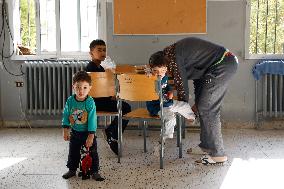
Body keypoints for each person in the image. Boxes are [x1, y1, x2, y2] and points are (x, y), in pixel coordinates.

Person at [149, 37, 238, 165]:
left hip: (223, 64)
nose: (162, 73)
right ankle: (206, 146)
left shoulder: (173, 59)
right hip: (216, 66)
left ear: (166, 64)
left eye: (163, 70)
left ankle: (218, 154)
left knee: (208, 109)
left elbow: (182, 87)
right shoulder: (172, 55)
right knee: (203, 106)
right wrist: (197, 103)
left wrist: (185, 110)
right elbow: (198, 77)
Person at [85, 39, 131, 155]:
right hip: (95, 102)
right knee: (126, 108)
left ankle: (111, 132)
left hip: (100, 100)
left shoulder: (100, 68)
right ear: (91, 53)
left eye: (104, 50)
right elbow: (95, 91)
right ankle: (112, 134)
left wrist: (111, 96)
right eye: (99, 50)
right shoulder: (91, 69)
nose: (102, 53)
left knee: (124, 107)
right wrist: (110, 96)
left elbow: (104, 89)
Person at [146, 60, 195, 155]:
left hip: (167, 103)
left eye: (162, 71)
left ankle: (191, 118)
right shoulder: (150, 77)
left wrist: (171, 92)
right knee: (171, 119)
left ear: (166, 70)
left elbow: (168, 87)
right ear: (151, 70)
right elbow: (144, 77)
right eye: (156, 71)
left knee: (184, 106)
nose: (159, 74)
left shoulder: (164, 77)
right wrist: (148, 74)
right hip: (157, 107)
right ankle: (161, 141)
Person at [61, 71, 104, 181]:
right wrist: (65, 130)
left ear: (90, 88)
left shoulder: (90, 102)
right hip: (75, 132)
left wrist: (91, 136)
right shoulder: (70, 101)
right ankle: (72, 170)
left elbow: (92, 120)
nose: (81, 91)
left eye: (85, 87)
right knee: (73, 152)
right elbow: (66, 115)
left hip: (88, 133)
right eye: (78, 87)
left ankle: (95, 171)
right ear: (73, 87)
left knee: (92, 153)